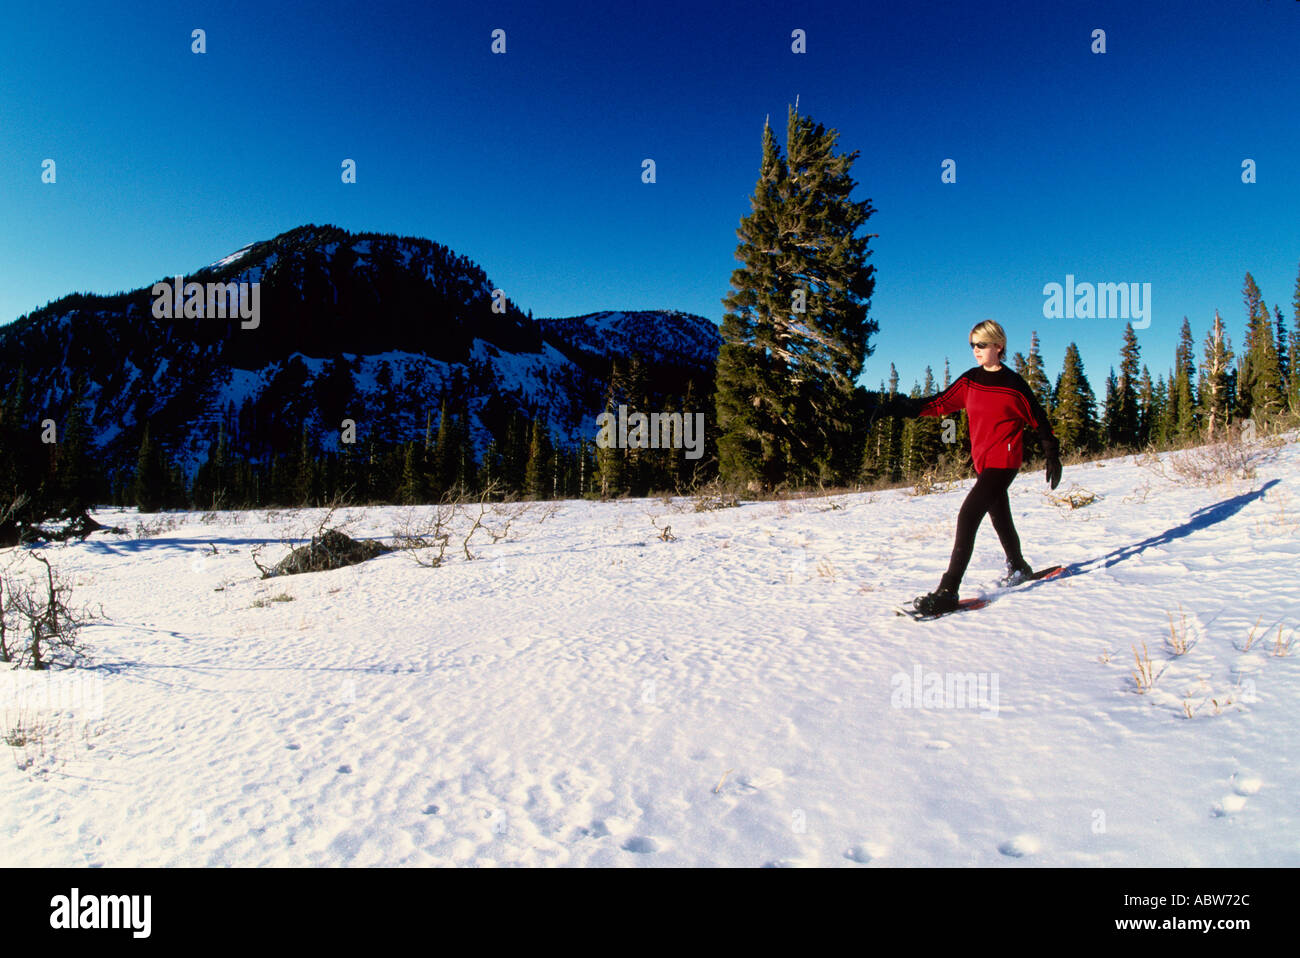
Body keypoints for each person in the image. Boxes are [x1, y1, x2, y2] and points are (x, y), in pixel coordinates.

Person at [880, 320, 1062, 615]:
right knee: (1000, 515)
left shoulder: (1014, 386)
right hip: (983, 462)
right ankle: (1018, 566)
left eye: (981, 345)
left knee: (968, 515)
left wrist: (1052, 454)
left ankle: (948, 590)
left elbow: (1039, 419)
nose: (975, 350)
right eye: (972, 345)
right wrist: (897, 407)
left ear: (998, 347)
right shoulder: (970, 381)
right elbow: (940, 403)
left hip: (1004, 461)